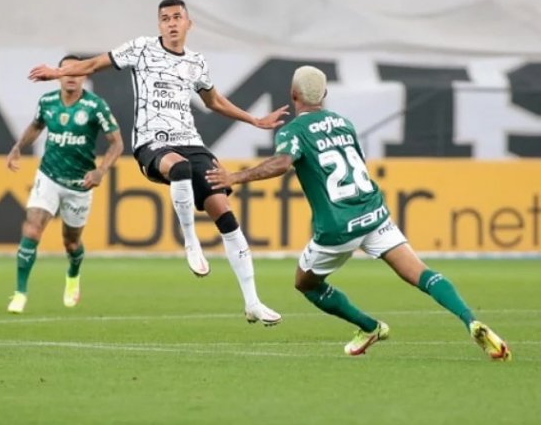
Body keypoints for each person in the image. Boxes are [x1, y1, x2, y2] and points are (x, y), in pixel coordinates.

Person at [205, 65, 512, 360]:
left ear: (293, 95)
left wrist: (234, 177)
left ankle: (370, 327)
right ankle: (470, 320)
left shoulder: (294, 130)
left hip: (338, 227)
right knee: (421, 273)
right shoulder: (344, 123)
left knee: (305, 284)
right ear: (324, 94)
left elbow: (282, 163)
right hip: (374, 213)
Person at [29, 0, 288, 325]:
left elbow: (215, 101)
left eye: (177, 17)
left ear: (188, 23)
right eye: (165, 18)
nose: (171, 23)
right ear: (159, 24)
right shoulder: (142, 49)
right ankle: (191, 242)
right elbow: (94, 64)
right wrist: (58, 72)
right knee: (178, 168)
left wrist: (254, 120)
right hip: (153, 144)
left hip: (193, 143)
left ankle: (253, 302)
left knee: (224, 213)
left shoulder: (196, 62)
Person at [5, 55, 123, 314]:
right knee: (33, 230)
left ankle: (72, 276)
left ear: (85, 75)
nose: (71, 75)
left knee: (71, 243)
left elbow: (117, 143)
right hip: (48, 176)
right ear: (58, 74)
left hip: (80, 184)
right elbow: (36, 126)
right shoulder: (47, 101)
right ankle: (20, 293)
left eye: (77, 71)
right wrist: (17, 147)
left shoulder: (95, 106)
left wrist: (100, 170)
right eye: (65, 70)